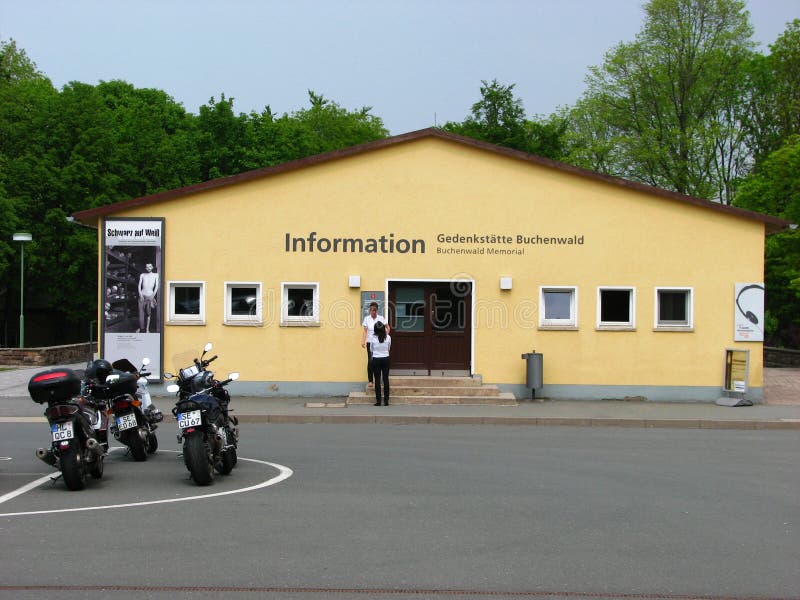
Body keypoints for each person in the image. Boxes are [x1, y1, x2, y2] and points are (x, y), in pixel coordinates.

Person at [361, 301, 390, 388]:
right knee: (371, 361)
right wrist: (363, 341)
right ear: (370, 310)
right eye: (371, 310)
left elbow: (388, 327)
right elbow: (365, 331)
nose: (373, 312)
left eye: (374, 310)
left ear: (377, 310)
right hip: (371, 342)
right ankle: (370, 381)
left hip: (380, 341)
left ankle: (381, 381)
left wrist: (386, 336)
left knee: (380, 360)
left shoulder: (381, 318)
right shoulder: (367, 319)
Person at [370, 321, 391, 406]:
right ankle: (386, 401)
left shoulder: (372, 338)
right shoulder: (388, 337)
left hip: (376, 359)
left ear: (375, 329)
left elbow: (371, 350)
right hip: (386, 359)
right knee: (385, 379)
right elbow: (389, 348)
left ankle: (378, 401)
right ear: (383, 329)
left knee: (377, 380)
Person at [137, 263, 159, 333]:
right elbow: (139, 285)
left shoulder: (156, 275)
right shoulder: (142, 275)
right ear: (145, 268)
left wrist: (153, 295)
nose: (148, 268)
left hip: (150, 295)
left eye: (150, 266)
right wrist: (140, 294)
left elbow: (156, 286)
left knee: (148, 313)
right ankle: (141, 328)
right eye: (147, 267)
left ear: (152, 267)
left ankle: (147, 329)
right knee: (141, 313)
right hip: (142, 296)